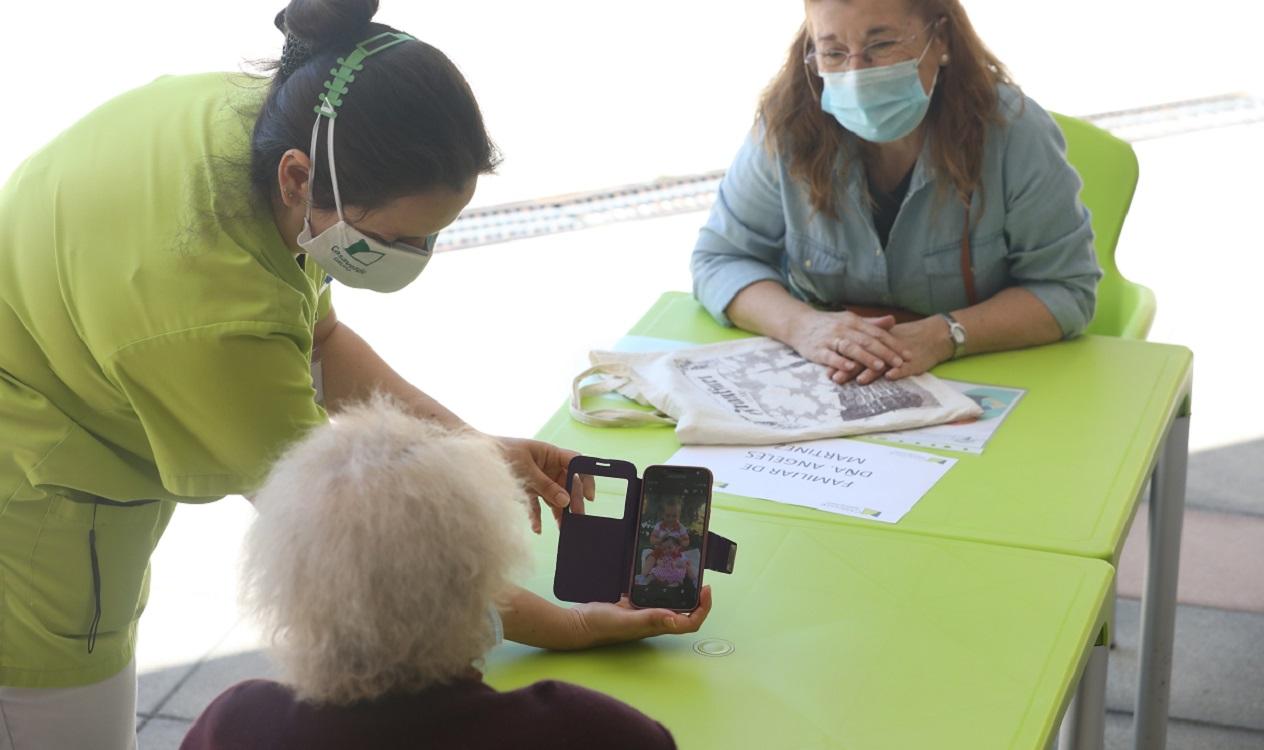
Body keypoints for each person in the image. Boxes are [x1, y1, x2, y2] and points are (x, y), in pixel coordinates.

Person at [0, 1, 705, 747]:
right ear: (298, 179)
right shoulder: (215, 317)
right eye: (399, 238)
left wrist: (470, 449)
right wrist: (566, 625)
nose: (420, 257)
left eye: (439, 232)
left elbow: (319, 338)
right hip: (34, 492)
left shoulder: (281, 116)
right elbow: (361, 546)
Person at [181, 397, 690, 750]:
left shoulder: (234, 726)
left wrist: (575, 625)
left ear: (280, 580)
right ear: (485, 580)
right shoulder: (589, 734)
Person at [691, 0, 1101, 387]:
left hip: (986, 376)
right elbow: (721, 259)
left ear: (939, 38)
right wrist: (804, 326)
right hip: (830, 378)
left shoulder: (1013, 132)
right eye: (833, 53)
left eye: (881, 45)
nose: (856, 74)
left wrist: (946, 335)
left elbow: (1065, 291)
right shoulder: (789, 125)